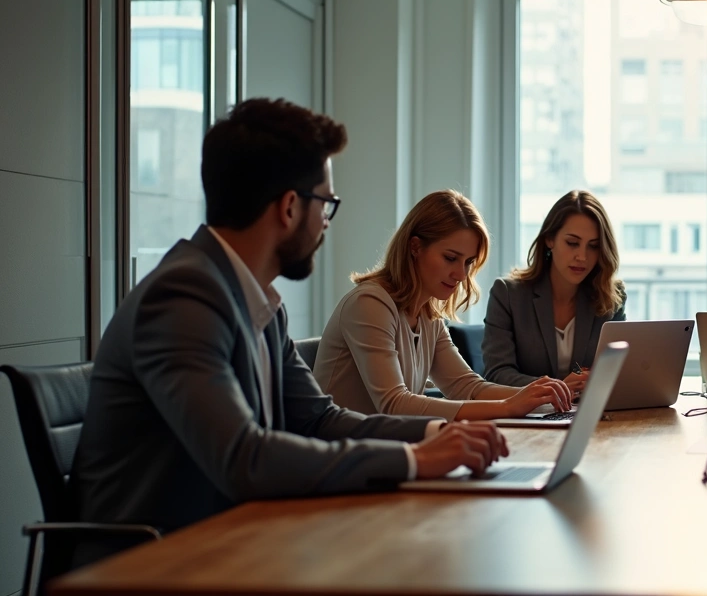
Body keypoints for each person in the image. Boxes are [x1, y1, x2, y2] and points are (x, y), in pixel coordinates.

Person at [72, 99, 507, 564]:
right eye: (327, 205)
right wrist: (415, 461)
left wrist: (437, 433)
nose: (325, 222)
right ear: (289, 207)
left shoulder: (256, 301)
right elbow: (245, 457)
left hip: (237, 538)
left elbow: (319, 419)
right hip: (154, 563)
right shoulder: (183, 298)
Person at [312, 190, 574, 420]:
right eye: (451, 258)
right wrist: (507, 406)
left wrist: (538, 395)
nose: (461, 275)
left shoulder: (428, 314)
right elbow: (394, 404)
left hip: (384, 449)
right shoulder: (369, 303)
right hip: (341, 461)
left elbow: (466, 387)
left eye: (468, 262)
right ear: (415, 247)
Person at [482, 190, 626, 390]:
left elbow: (619, 371)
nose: (582, 256)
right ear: (550, 239)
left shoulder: (611, 297)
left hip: (591, 412)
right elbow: (497, 374)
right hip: (526, 416)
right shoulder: (507, 295)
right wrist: (559, 388)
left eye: (593, 246)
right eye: (572, 243)